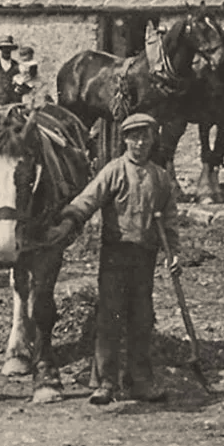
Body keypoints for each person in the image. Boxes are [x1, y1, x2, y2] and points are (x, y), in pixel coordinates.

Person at [46, 113, 182, 405]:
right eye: (134, 137)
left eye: (145, 136)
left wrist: (174, 253)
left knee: (142, 317)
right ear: (125, 140)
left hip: (145, 255)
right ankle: (106, 381)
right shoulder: (114, 171)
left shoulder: (160, 178)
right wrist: (68, 221)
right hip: (116, 254)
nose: (140, 143)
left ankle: (140, 380)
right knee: (110, 316)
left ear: (152, 139)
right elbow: (88, 199)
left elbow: (169, 220)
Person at [0, 35, 22, 107]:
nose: (6, 51)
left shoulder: (16, 65)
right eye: (4, 48)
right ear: (1, 49)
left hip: (14, 102)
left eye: (9, 49)